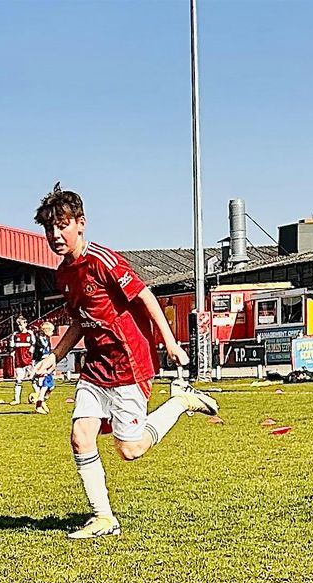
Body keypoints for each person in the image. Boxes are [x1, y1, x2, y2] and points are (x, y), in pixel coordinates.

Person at [31, 183, 218, 540]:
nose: (55, 234)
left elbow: (145, 294)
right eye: (49, 228)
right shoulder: (63, 274)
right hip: (96, 368)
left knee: (129, 450)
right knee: (80, 435)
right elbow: (79, 322)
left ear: (80, 223)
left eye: (62, 225)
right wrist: (54, 356)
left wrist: (170, 343)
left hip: (130, 364)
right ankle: (103, 517)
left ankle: (179, 402)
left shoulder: (103, 259)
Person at [10, 315, 35, 406]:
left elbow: (33, 345)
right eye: (18, 325)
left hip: (28, 360)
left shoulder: (30, 334)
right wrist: (12, 353)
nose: (20, 327)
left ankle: (39, 396)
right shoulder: (15, 335)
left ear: (25, 324)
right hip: (18, 361)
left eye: (21, 324)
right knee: (18, 380)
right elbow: (12, 347)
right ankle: (17, 399)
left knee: (33, 378)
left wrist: (30, 356)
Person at [32, 322, 56, 414]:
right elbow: (36, 356)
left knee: (51, 387)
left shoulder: (47, 340)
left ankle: (42, 401)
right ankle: (39, 405)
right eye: (52, 331)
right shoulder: (38, 341)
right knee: (44, 387)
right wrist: (37, 368)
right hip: (41, 365)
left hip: (47, 364)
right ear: (46, 331)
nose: (53, 333)